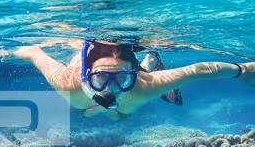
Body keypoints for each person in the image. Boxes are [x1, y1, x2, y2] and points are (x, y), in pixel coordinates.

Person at [13, 39, 255, 121]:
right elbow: (34, 51)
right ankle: (149, 64)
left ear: (134, 74)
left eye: (122, 79)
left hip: (131, 92)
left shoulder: (144, 86)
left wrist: (244, 70)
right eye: (101, 79)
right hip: (86, 99)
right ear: (87, 75)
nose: (112, 89)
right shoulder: (68, 82)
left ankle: (149, 63)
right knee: (91, 111)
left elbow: (198, 70)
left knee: (121, 115)